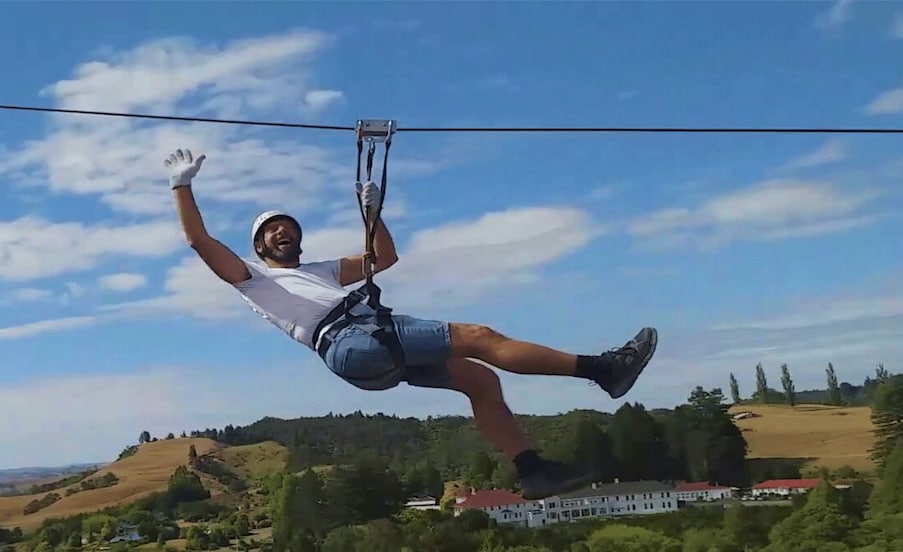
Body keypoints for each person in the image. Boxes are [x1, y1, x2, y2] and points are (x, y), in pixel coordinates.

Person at [165, 148, 658, 500]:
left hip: (364, 355)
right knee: (480, 338)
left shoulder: (323, 272)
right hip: (351, 340)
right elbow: (199, 240)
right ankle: (602, 369)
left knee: (479, 378)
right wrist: (181, 186)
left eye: (288, 228)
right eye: (271, 230)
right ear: (258, 248)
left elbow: (385, 256)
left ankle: (532, 471)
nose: (282, 232)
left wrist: (372, 214)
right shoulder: (250, 279)